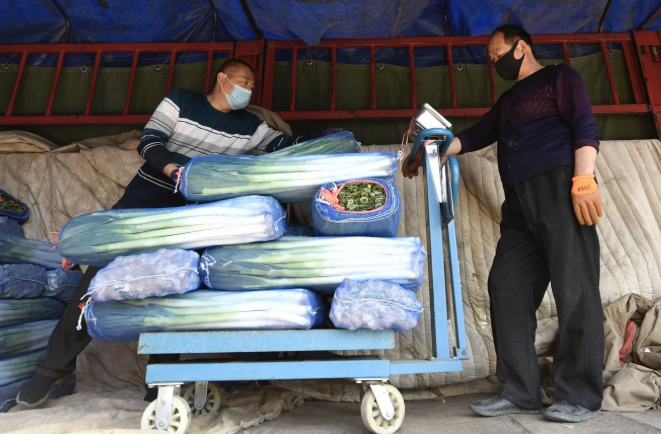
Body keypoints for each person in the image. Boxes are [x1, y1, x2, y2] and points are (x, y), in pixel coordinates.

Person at [17, 58, 337, 407]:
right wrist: (174, 171)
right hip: (142, 202)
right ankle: (52, 370)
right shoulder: (182, 101)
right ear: (222, 79)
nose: (248, 88)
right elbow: (149, 142)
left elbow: (284, 144)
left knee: (170, 286)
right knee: (95, 282)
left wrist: (328, 141)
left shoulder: (250, 126)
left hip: (189, 216)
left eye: (252, 84)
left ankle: (160, 379)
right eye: (242, 80)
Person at [404, 24, 604, 423]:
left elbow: (584, 126)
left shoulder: (560, 77)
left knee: (575, 289)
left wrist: (584, 180)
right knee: (506, 285)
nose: (495, 63)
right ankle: (520, 391)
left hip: (559, 190)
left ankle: (580, 395)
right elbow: (474, 136)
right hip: (519, 204)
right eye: (491, 59)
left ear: (522, 47)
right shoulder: (509, 101)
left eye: (498, 55)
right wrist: (430, 151)